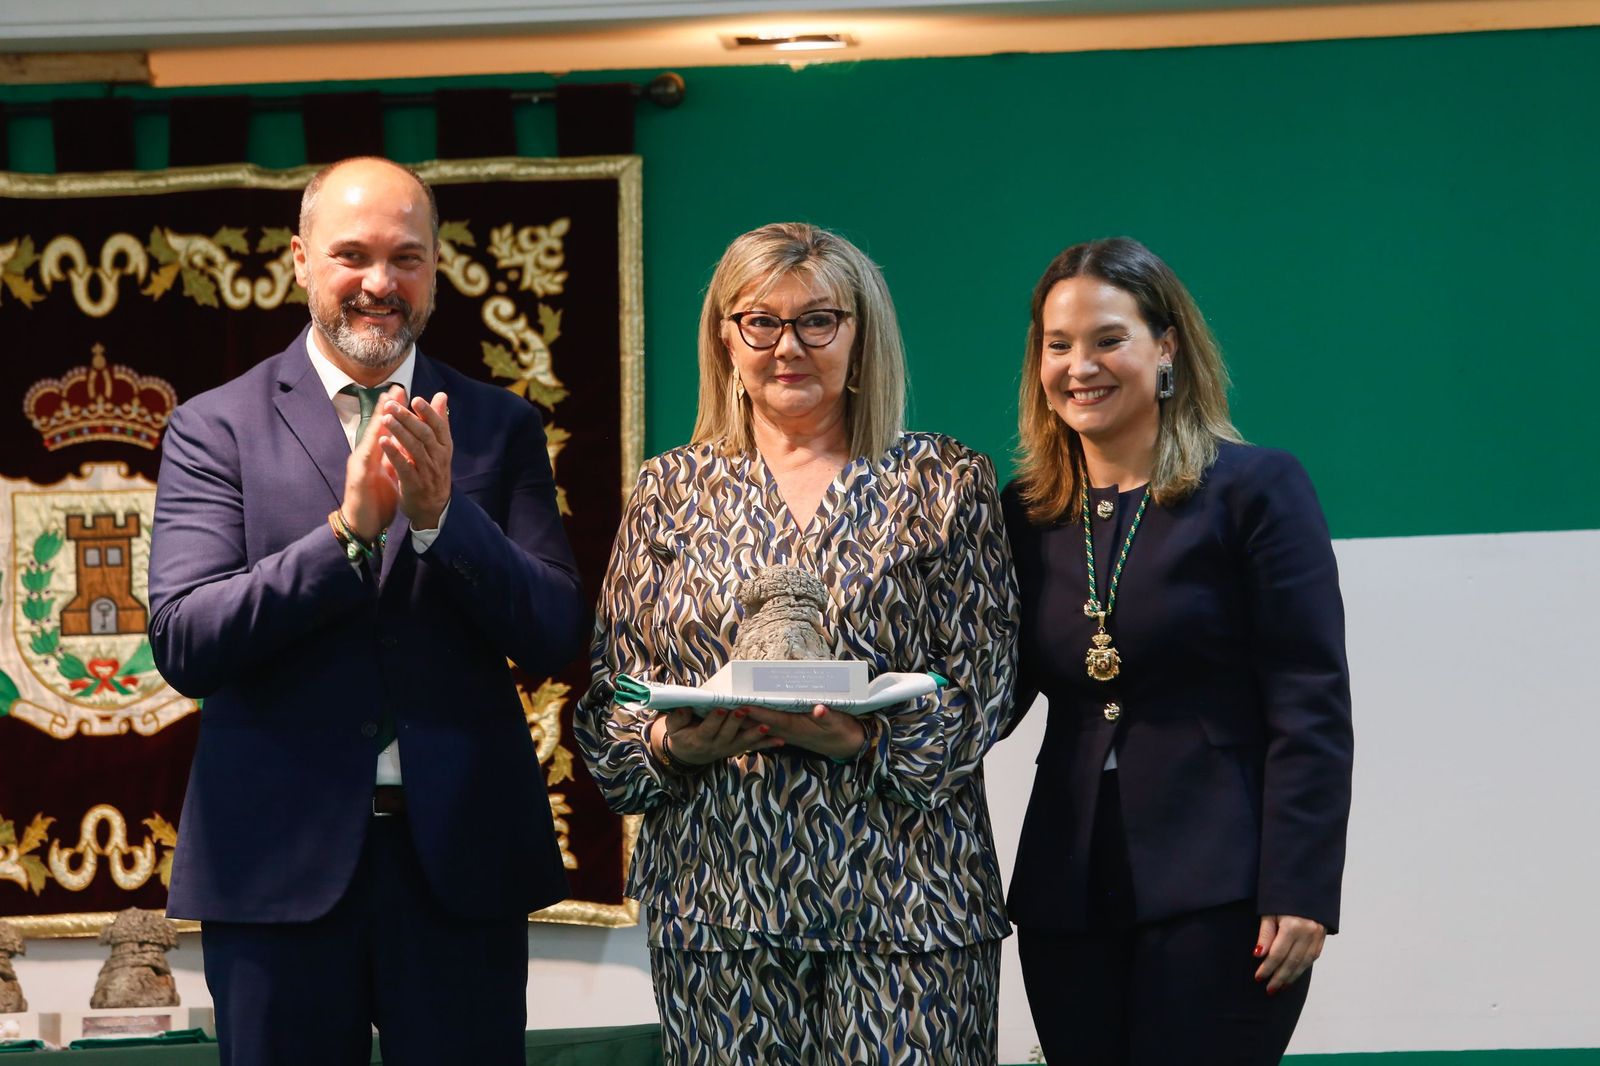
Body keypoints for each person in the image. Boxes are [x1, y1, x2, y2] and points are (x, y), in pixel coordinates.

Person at [148, 156, 587, 1066]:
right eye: (352, 255)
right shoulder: (215, 426)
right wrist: (346, 535)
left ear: (436, 269)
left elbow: (554, 633)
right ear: (302, 260)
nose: (379, 283)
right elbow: (187, 639)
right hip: (274, 873)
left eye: (406, 257)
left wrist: (442, 521)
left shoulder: (499, 423)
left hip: (459, 868)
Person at [574, 222, 1018, 1065]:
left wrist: (857, 737)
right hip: (719, 901)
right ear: (725, 336)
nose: (789, 346)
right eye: (760, 322)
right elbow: (611, 702)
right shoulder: (670, 490)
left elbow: (982, 687)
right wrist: (674, 739)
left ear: (861, 333)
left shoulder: (944, 481)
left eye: (818, 321)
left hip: (907, 900)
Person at [1002, 237, 1353, 1064]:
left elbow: (1310, 701)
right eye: (1058, 345)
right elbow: (988, 689)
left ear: (1166, 347)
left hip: (1225, 891)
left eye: (1107, 339)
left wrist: (1301, 888)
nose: (1079, 366)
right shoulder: (1023, 510)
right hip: (1068, 895)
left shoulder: (1257, 488)